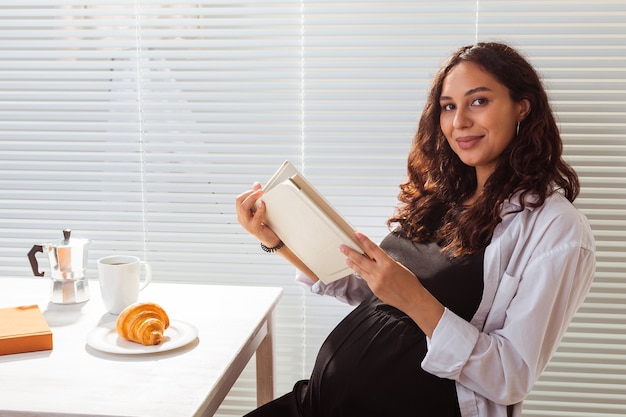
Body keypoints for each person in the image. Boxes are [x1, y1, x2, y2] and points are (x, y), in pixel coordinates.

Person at [235, 42, 595, 417]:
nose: (459, 123)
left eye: (478, 101)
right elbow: (368, 289)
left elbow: (510, 375)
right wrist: (277, 240)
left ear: (522, 106)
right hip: (318, 402)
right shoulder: (443, 197)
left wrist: (412, 297)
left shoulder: (557, 230)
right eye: (448, 106)